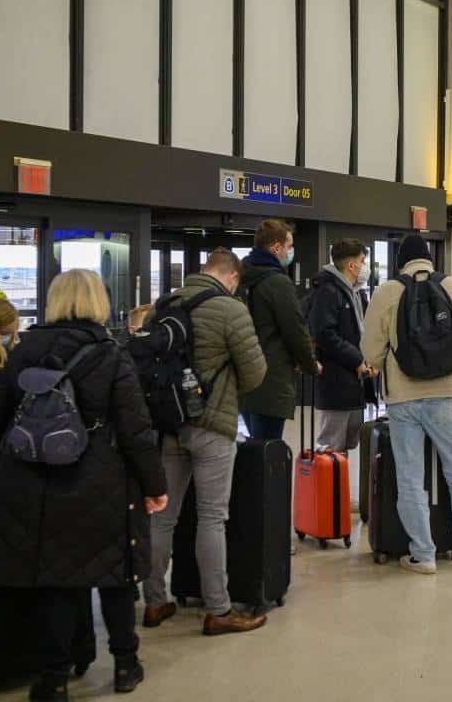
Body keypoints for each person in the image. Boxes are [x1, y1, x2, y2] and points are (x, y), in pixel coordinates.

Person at [0, 269, 168, 700]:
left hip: (33, 483)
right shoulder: (111, 354)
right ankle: (124, 665)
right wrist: (155, 484)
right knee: (116, 576)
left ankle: (54, 678)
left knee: (54, 584)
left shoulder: (22, 351)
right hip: (102, 479)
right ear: (98, 302)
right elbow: (136, 429)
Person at [143, 248, 269, 636]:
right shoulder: (231, 310)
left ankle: (155, 601)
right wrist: (226, 396)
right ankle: (218, 609)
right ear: (232, 277)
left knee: (163, 515)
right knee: (213, 517)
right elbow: (256, 372)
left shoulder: (164, 304)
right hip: (213, 427)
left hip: (168, 424)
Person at [361, 234, 452, 573]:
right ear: (430, 259)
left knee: (410, 476)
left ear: (400, 262)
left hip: (403, 398)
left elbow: (370, 352)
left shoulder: (387, 291)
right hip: (447, 394)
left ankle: (422, 555)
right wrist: (449, 364)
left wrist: (396, 361)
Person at [238, 220, 320, 441]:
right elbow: (295, 329)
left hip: (244, 376)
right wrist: (310, 364)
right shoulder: (278, 283)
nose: (291, 251)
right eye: (289, 245)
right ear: (276, 248)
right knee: (269, 452)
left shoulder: (242, 278)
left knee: (256, 446)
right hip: (271, 380)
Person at [307, 239, 374, 452]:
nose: (366, 267)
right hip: (337, 381)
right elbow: (325, 334)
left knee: (347, 444)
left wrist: (368, 360)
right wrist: (356, 359)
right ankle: (329, 486)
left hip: (355, 382)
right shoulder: (328, 291)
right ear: (351, 265)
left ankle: (339, 485)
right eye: (363, 261)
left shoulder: (354, 293)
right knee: (330, 447)